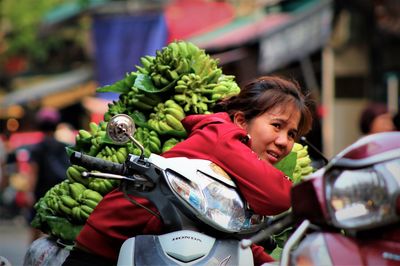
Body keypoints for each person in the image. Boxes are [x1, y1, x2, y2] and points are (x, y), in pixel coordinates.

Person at [62, 75, 313, 266]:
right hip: (104, 251)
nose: (283, 141)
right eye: (276, 125)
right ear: (241, 121)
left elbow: (220, 222)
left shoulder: (239, 164)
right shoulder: (221, 135)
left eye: (292, 134)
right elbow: (279, 196)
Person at [28, 107, 70, 242]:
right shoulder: (65, 147)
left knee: (36, 227)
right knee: (55, 230)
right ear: (56, 126)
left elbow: (33, 172)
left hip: (40, 192)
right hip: (59, 191)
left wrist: (29, 192)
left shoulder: (36, 148)